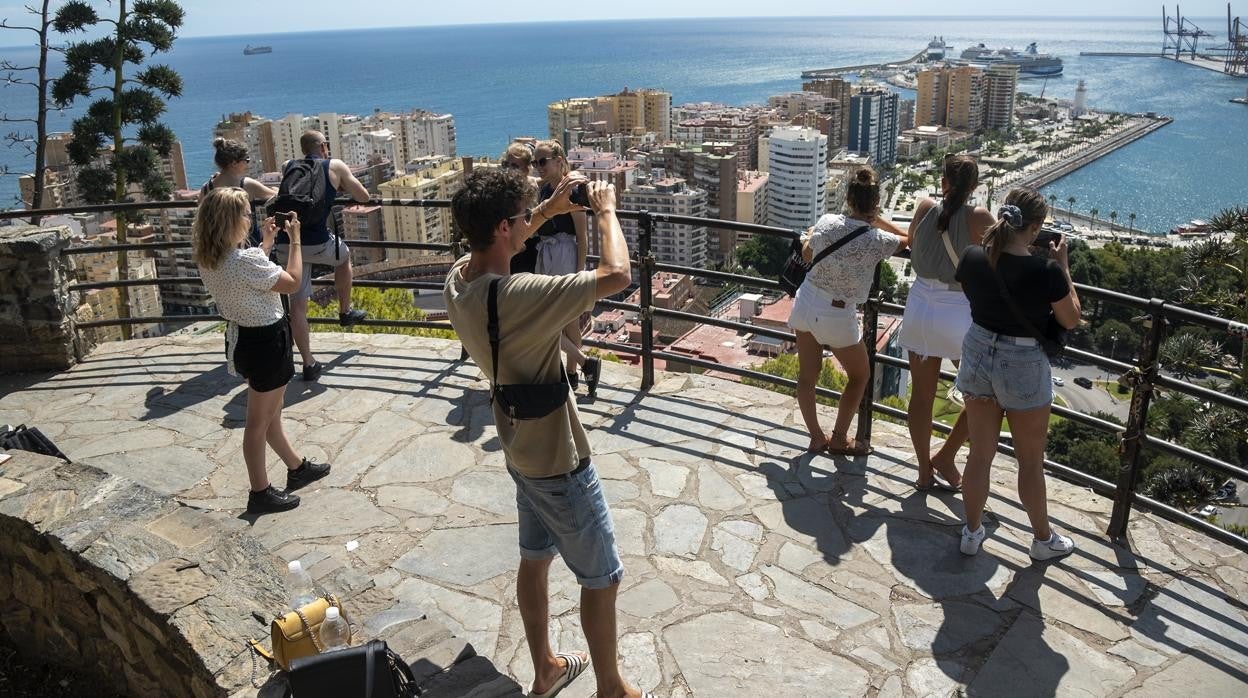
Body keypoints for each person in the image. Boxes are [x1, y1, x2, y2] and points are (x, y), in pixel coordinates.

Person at [444, 169, 651, 698]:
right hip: (559, 460)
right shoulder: (520, 296)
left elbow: (497, 243)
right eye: (520, 219)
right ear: (502, 228)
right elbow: (618, 273)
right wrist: (603, 209)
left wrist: (544, 212)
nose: (525, 224)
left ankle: (547, 670)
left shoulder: (459, 281)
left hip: (520, 449)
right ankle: (612, 689)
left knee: (534, 561)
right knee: (602, 579)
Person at [953, 188, 1081, 560]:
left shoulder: (973, 256)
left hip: (977, 349)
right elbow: (1070, 319)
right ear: (1037, 227)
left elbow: (974, 296)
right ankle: (1042, 540)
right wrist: (1065, 267)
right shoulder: (1047, 271)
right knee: (1029, 461)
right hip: (1022, 361)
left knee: (980, 454)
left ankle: (972, 531)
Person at [192, 188, 331, 513]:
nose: (248, 219)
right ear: (229, 222)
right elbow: (293, 282)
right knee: (258, 422)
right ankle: (260, 491)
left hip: (243, 338)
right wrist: (294, 239)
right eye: (243, 214)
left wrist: (265, 245)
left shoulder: (209, 258)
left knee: (272, 413)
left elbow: (248, 276)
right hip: (268, 342)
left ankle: (296, 468)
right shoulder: (244, 262)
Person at [788, 167, 909, 456]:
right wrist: (877, 220)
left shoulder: (827, 222)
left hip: (806, 303)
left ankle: (817, 437)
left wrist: (814, 235)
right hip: (837, 314)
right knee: (860, 375)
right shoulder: (877, 240)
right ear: (875, 201)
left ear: (848, 198)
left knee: (808, 376)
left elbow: (806, 254)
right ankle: (840, 438)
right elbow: (908, 239)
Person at [899, 154, 995, 491]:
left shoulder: (925, 207)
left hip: (920, 308)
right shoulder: (979, 217)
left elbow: (911, 241)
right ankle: (947, 455)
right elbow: (1002, 256)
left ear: (943, 182)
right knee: (985, 394)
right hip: (957, 313)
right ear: (974, 187)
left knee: (921, 397)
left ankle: (924, 470)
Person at [273, 130, 372, 382]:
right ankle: (345, 311)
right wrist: (336, 185)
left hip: (287, 242)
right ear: (324, 147)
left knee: (297, 304)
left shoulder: (288, 166)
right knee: (344, 256)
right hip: (317, 241)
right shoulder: (334, 165)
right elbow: (363, 196)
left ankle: (308, 363)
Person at [531, 140, 601, 396]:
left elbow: (582, 236)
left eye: (542, 161)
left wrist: (579, 272)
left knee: (565, 318)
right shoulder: (544, 189)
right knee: (557, 319)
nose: (538, 167)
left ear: (559, 160)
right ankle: (577, 370)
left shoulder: (572, 190)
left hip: (564, 255)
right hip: (547, 254)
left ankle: (574, 371)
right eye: (534, 162)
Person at [199, 138, 277, 247]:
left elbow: (202, 219)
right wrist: (275, 188)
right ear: (234, 163)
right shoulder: (246, 184)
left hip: (219, 247)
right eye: (246, 159)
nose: (247, 164)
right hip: (246, 245)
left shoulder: (206, 188)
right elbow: (275, 195)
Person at [501, 141, 540, 275]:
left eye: (514, 166)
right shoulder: (501, 186)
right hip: (506, 244)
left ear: (526, 168)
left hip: (528, 245)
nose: (508, 169)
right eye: (506, 164)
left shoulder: (532, 186)